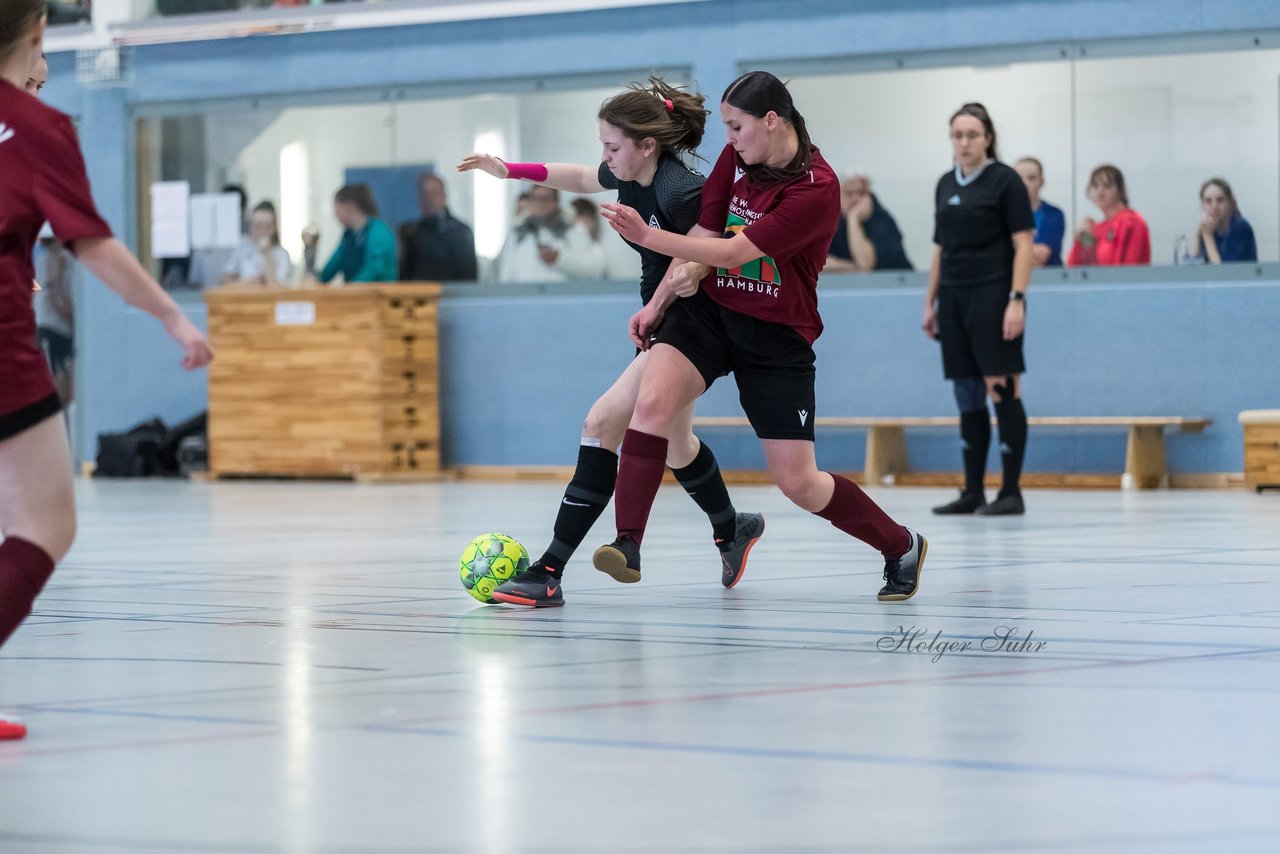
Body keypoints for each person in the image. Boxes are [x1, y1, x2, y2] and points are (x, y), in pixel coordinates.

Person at [594, 70, 927, 602]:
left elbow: (731, 252)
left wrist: (646, 234)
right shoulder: (737, 157)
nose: (728, 140)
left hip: (775, 335)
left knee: (799, 483)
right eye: (726, 127)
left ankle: (900, 544)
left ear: (772, 121)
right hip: (710, 316)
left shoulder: (817, 189)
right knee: (651, 406)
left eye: (737, 127)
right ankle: (627, 543)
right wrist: (657, 304)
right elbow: (705, 235)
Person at [457, 76, 764, 607]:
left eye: (612, 147)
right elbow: (577, 175)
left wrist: (656, 307)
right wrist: (511, 171)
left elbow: (697, 260)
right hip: (664, 316)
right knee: (674, 443)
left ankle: (549, 569)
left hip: (692, 321)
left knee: (602, 422)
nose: (605, 158)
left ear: (647, 145)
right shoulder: (630, 171)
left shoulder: (680, 190)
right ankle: (731, 526)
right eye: (603, 145)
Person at [1, 0, 213, 740]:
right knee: (43, 523)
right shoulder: (36, 128)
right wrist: (173, 316)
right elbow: (89, 245)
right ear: (35, 34)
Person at [923, 103, 1035, 517]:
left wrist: (1016, 300)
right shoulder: (943, 184)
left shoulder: (1004, 181)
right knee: (965, 391)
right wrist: (930, 302)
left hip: (993, 295)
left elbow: (1024, 244)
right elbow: (939, 248)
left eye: (972, 134)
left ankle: (1010, 490)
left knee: (1000, 388)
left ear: (987, 137)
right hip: (952, 298)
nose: (964, 142)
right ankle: (972, 490)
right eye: (958, 135)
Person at [495, 183, 607, 282]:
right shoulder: (518, 233)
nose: (540, 204)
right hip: (526, 300)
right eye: (535, 198)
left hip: (562, 300)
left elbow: (593, 269)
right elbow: (506, 274)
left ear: (556, 201)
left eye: (545, 199)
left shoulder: (574, 231)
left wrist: (560, 259)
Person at [823, 174, 912, 272]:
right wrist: (851, 266)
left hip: (895, 282)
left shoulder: (882, 220)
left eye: (861, 193)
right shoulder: (830, 219)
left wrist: (853, 219)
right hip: (850, 284)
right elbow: (811, 261)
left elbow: (864, 265)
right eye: (849, 193)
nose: (855, 199)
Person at [398, 173, 478, 282]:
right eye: (424, 195)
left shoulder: (461, 232)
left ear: (444, 196)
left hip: (452, 295)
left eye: (434, 194)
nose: (429, 200)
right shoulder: (411, 233)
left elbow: (468, 276)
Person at [1067, 165, 1150, 266]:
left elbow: (1126, 271)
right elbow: (1074, 270)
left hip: (1119, 281)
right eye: (1095, 186)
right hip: (1100, 281)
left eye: (1107, 186)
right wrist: (1080, 241)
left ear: (1119, 191)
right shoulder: (1096, 228)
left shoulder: (1131, 222)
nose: (1100, 192)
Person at [318, 184, 398, 284]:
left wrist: (352, 287)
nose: (335, 213)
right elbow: (335, 263)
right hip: (356, 296)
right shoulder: (348, 236)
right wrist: (317, 279)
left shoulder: (379, 231)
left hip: (379, 296)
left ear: (350, 206)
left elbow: (375, 268)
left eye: (337, 207)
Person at [221, 200, 293, 286]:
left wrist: (267, 255)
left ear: (274, 228)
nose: (262, 231)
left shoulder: (282, 254)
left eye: (267, 227)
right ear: (251, 226)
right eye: (257, 226)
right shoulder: (241, 246)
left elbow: (279, 288)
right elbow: (226, 280)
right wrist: (245, 283)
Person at [1014, 157, 1065, 267]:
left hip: (1048, 281)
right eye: (1018, 178)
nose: (1024, 183)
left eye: (1031, 178)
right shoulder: (1001, 216)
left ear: (1041, 182)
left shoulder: (1053, 214)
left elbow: (1040, 257)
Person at [1196, 178, 1256, 264]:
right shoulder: (1209, 228)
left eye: (1220, 200)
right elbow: (1192, 266)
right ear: (1202, 206)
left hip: (1242, 277)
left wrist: (1207, 237)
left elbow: (1224, 273)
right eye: (1208, 201)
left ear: (1230, 203)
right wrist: (1198, 233)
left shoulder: (1241, 227)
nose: (1214, 207)